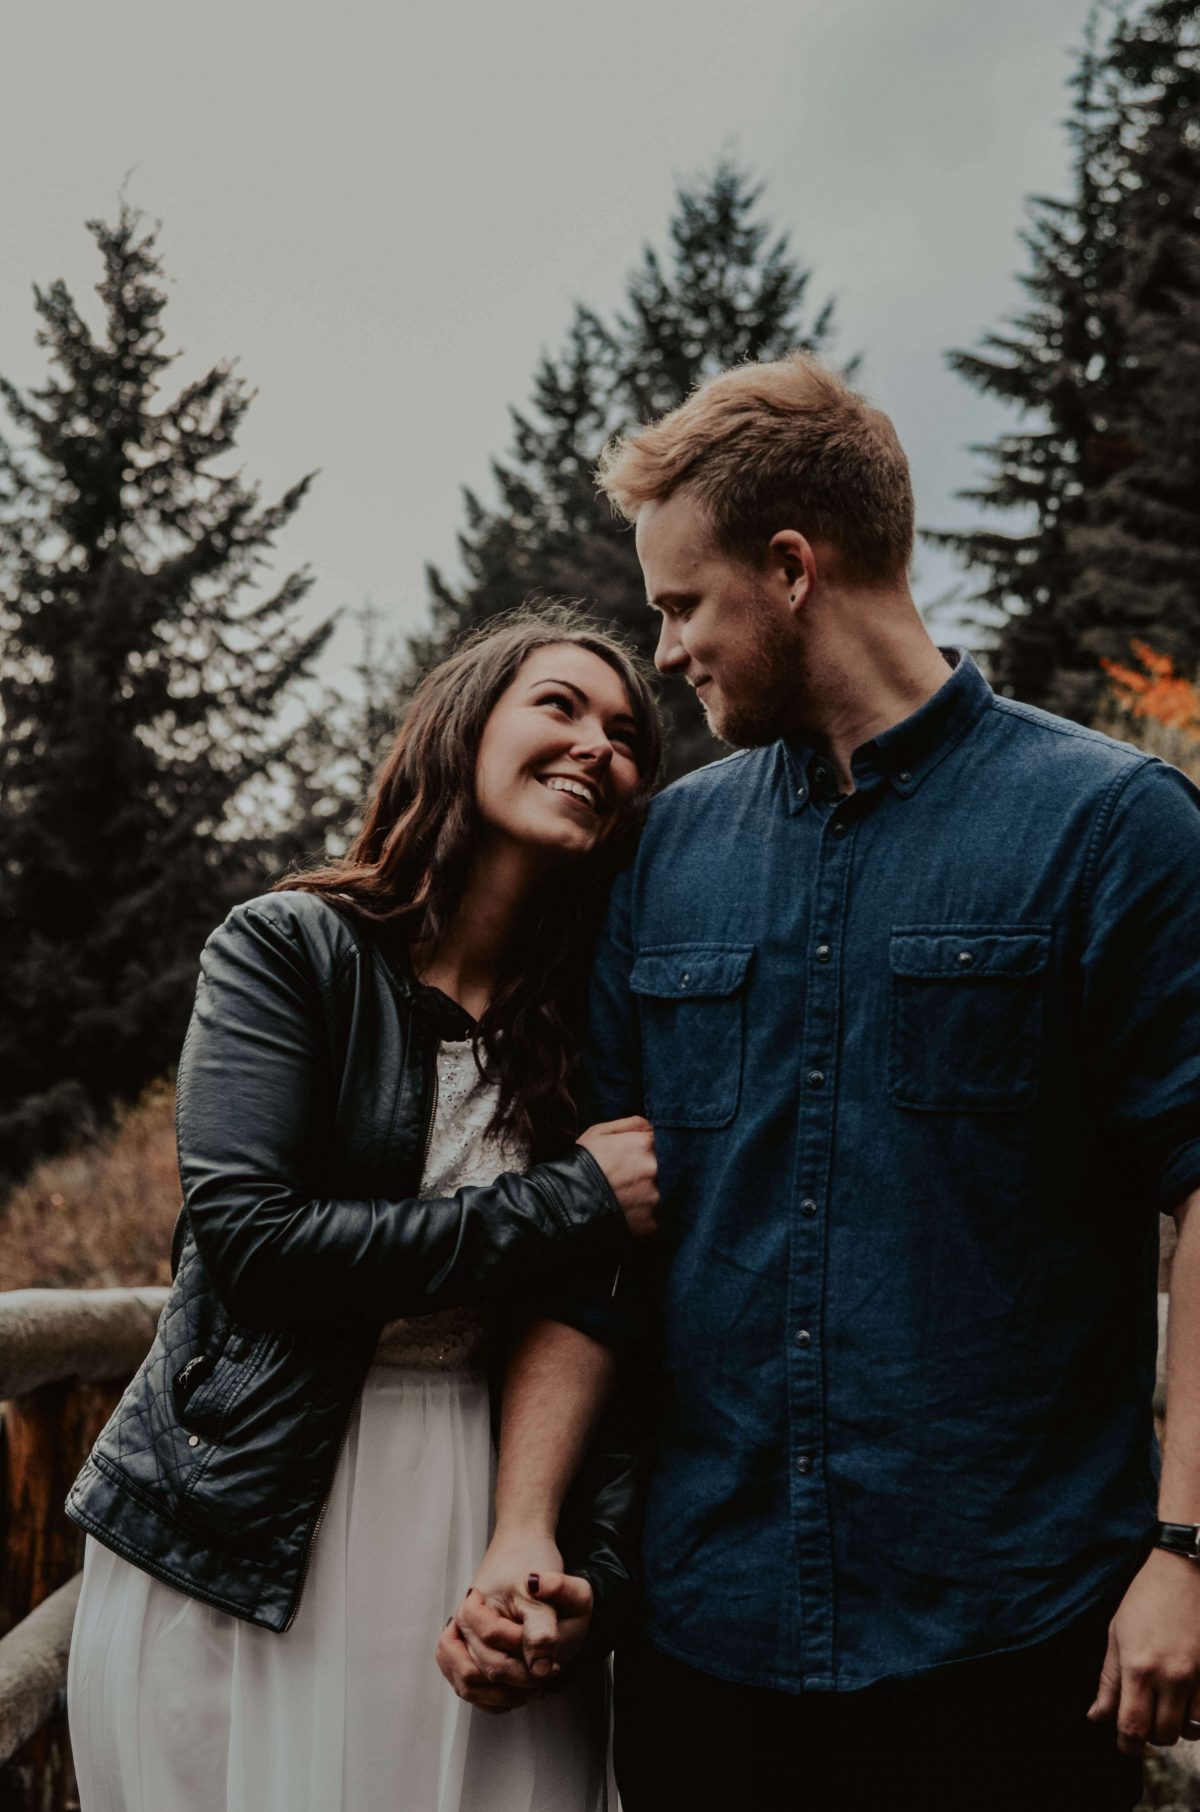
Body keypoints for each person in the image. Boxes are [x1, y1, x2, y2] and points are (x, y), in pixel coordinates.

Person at [441, 356, 1200, 1812]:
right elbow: (603, 1243)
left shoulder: (1113, 829)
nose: (662, 656)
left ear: (793, 567)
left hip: (1011, 1641)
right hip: (705, 1645)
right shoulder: (658, 857)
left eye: (681, 604)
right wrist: (522, 1526)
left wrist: (1184, 1552)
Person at [64, 607, 662, 1812]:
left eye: (628, 735)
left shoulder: (593, 1028)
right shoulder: (289, 950)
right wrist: (569, 1202)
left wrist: (579, 1562)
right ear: (462, 725)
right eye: (560, 706)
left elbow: (609, 1318)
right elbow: (254, 1246)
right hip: (255, 1506)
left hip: (479, 1502)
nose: (601, 744)